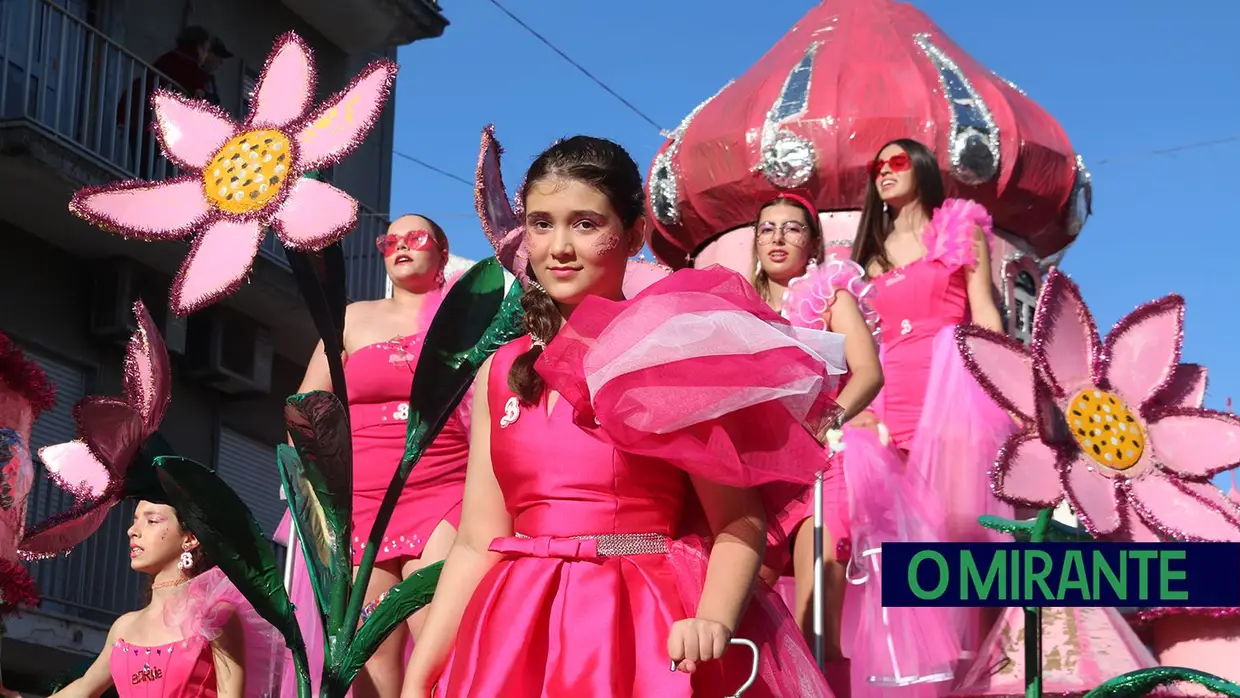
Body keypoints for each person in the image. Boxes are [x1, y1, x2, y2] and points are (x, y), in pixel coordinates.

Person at [402, 135, 845, 697]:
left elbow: (739, 521)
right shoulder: (499, 370)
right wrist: (419, 677)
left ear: (633, 234)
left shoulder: (668, 354)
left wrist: (714, 618)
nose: (559, 246)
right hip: (515, 632)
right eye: (542, 223)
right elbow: (475, 541)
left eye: (585, 224)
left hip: (644, 624)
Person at [277, 214, 468, 698]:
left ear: (442, 252)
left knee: (440, 639)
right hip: (364, 501)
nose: (402, 246)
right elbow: (304, 410)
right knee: (372, 654)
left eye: (416, 237)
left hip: (445, 486)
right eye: (391, 240)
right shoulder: (349, 319)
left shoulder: (467, 317)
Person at [850, 138, 1015, 660]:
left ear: (921, 168)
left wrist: (1007, 386)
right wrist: (867, 410)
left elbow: (986, 311)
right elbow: (867, 342)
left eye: (896, 161)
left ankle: (990, 665)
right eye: (878, 165)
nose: (885, 172)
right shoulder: (866, 256)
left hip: (953, 385)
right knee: (905, 533)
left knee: (964, 524)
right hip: (890, 388)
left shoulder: (960, 227)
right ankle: (930, 667)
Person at [46, 494, 279, 698]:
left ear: (190, 538)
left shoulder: (216, 615)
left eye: (152, 521)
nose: (132, 531)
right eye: (135, 520)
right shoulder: (124, 628)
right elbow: (83, 690)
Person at [201, 38, 233, 107]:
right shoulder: (193, 73)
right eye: (219, 58)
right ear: (208, 54)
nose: (221, 63)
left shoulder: (211, 80)